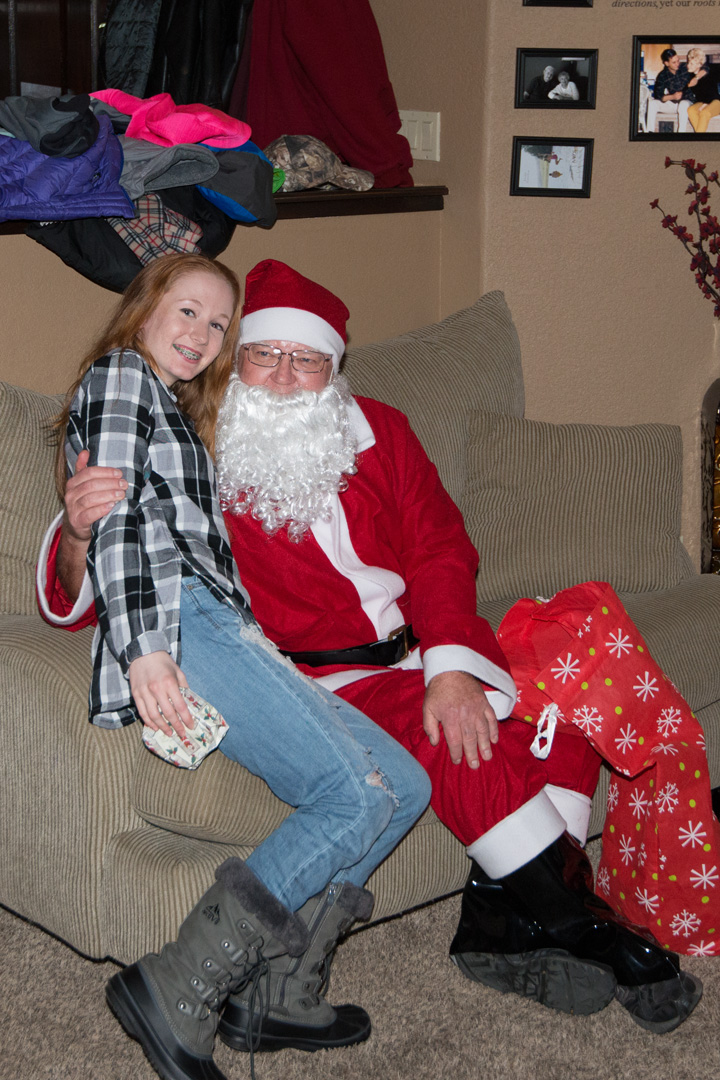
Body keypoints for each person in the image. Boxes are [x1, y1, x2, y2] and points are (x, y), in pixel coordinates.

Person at [40, 259, 702, 1035]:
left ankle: (499, 929)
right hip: (322, 682)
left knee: (560, 717)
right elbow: (129, 567)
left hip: (419, 650)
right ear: (236, 360)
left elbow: (440, 550)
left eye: (306, 360)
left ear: (334, 368)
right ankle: (591, 930)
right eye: (264, 354)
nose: (283, 376)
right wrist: (77, 533)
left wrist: (450, 663)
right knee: (462, 749)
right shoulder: (202, 440)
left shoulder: (381, 430)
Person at [51, 253, 431, 1080]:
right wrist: (149, 652)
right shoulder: (121, 378)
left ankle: (276, 992)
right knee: (352, 794)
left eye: (219, 323)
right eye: (187, 310)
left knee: (405, 783)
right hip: (181, 622)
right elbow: (119, 523)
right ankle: (179, 981)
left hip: (227, 626)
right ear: (144, 309)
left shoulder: (178, 406)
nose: (202, 333)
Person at [649, 48, 695, 134]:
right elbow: (658, 95)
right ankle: (650, 132)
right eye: (674, 62)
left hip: (688, 103)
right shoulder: (662, 75)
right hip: (673, 104)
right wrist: (672, 96)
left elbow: (704, 66)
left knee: (683, 104)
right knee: (652, 103)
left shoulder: (686, 67)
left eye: (678, 60)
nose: (677, 64)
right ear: (666, 63)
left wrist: (697, 77)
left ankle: (681, 134)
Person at [686, 48, 720, 134]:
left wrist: (706, 104)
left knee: (704, 113)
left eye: (691, 63)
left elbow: (712, 94)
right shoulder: (690, 77)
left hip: (716, 102)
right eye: (688, 62)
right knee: (691, 110)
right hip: (702, 102)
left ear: (699, 64)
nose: (688, 65)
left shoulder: (708, 73)